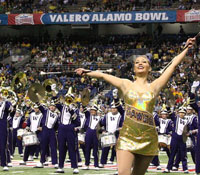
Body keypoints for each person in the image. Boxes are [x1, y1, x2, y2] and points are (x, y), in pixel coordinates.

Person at [75, 37, 196, 175]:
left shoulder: (154, 87)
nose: (140, 63)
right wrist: (86, 71)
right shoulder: (126, 84)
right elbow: (103, 76)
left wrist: (187, 48)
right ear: (133, 68)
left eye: (144, 62)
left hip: (148, 138)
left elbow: (173, 65)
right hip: (127, 136)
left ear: (149, 68)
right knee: (123, 173)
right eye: (137, 62)